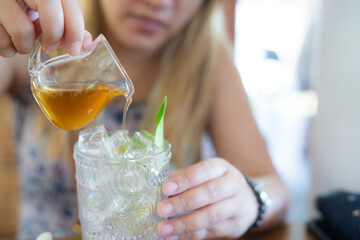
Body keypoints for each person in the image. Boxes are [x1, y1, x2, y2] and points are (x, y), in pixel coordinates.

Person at [0, 0, 289, 239]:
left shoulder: (209, 63)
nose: (158, 2)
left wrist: (252, 200)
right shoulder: (36, 43)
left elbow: (276, 189)